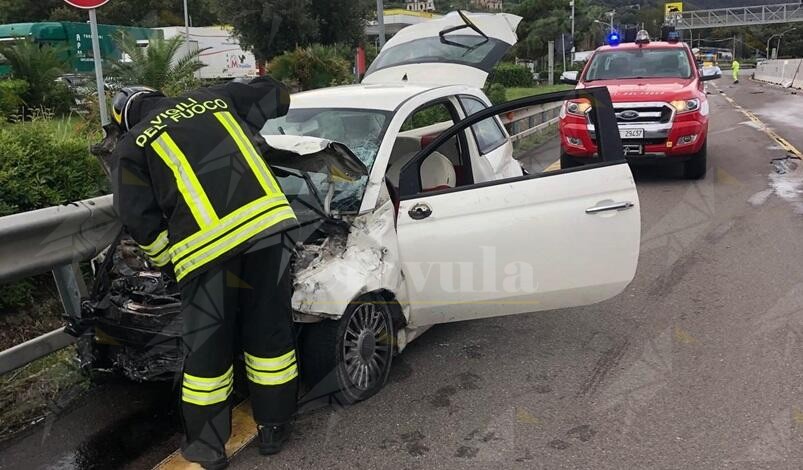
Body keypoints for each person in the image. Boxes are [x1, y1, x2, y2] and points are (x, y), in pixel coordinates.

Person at [109, 77, 300, 469]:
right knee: (270, 331)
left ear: (125, 118)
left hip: (207, 250)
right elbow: (278, 96)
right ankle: (275, 427)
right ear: (156, 96)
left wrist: (166, 260)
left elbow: (137, 215)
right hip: (269, 229)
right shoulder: (212, 98)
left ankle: (209, 448)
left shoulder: (132, 145)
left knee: (207, 351)